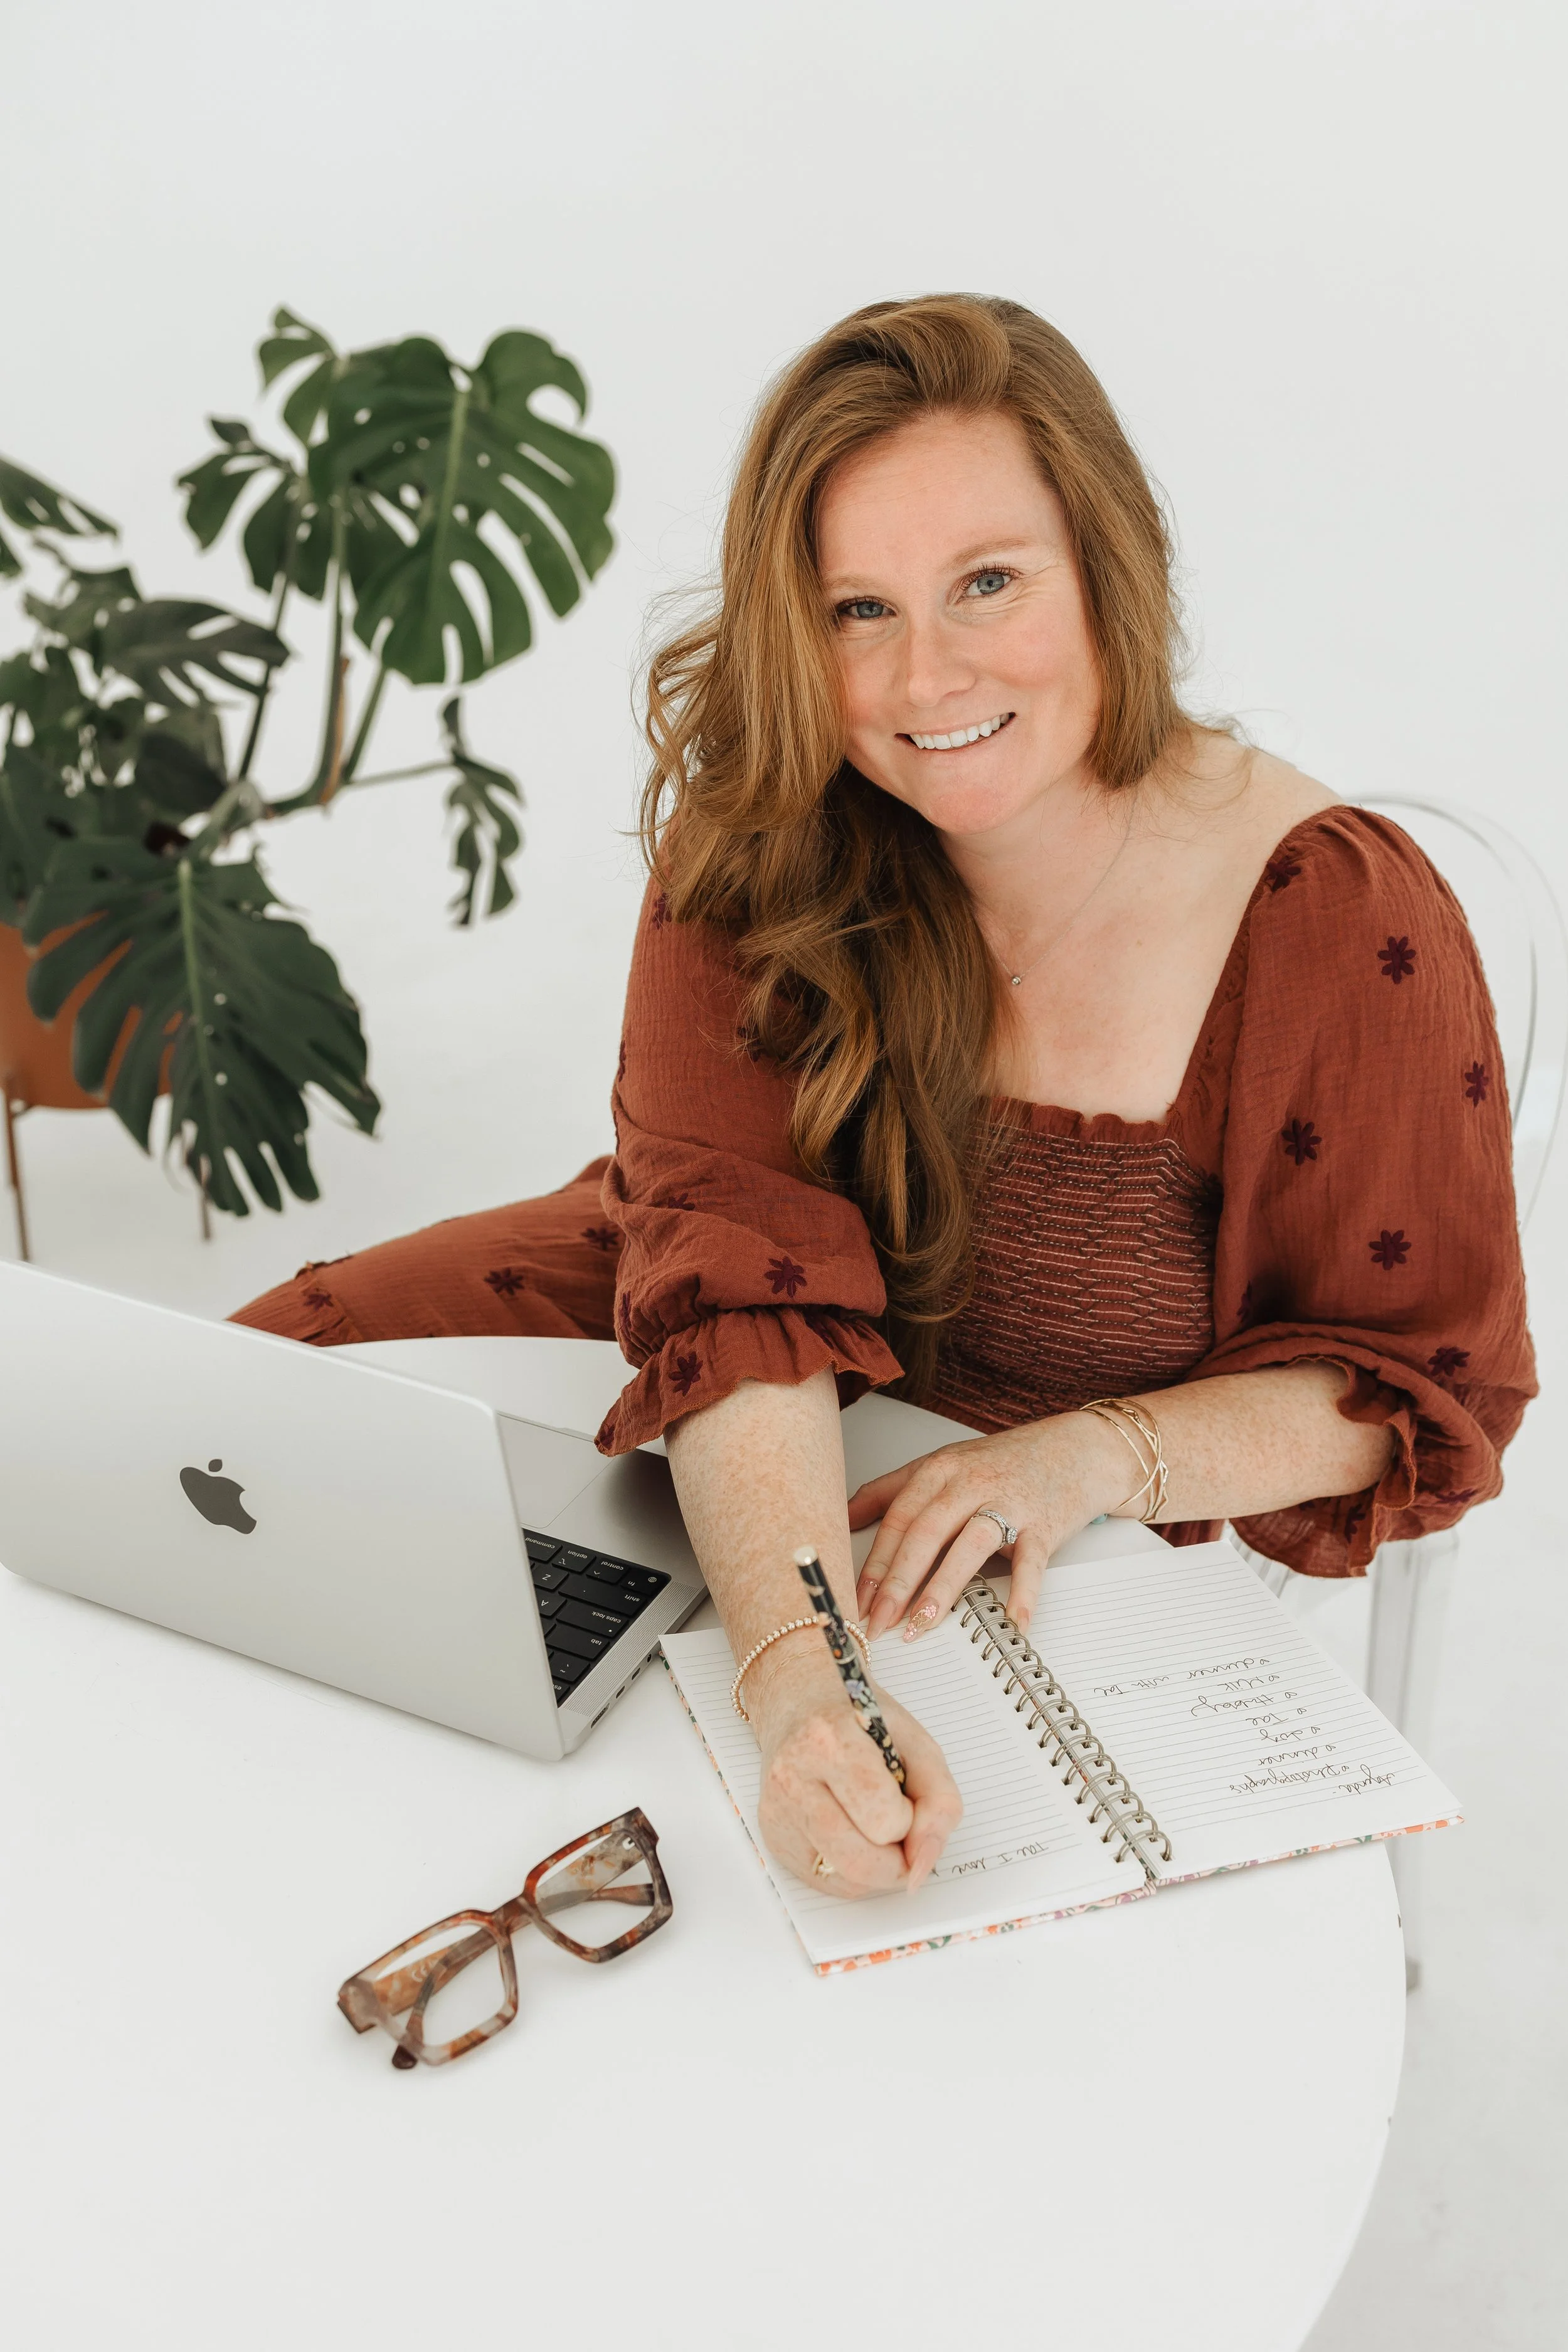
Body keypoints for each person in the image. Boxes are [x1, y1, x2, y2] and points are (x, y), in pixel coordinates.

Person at [235, 294, 1535, 1902]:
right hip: (717, 1302)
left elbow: (1404, 1384)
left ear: (1104, 567)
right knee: (263, 1387)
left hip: (1052, 1444)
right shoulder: (768, 828)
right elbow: (730, 1274)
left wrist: (1080, 1460)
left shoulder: (1333, 911)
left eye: (985, 582)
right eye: (856, 609)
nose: (925, 676)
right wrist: (792, 1669)